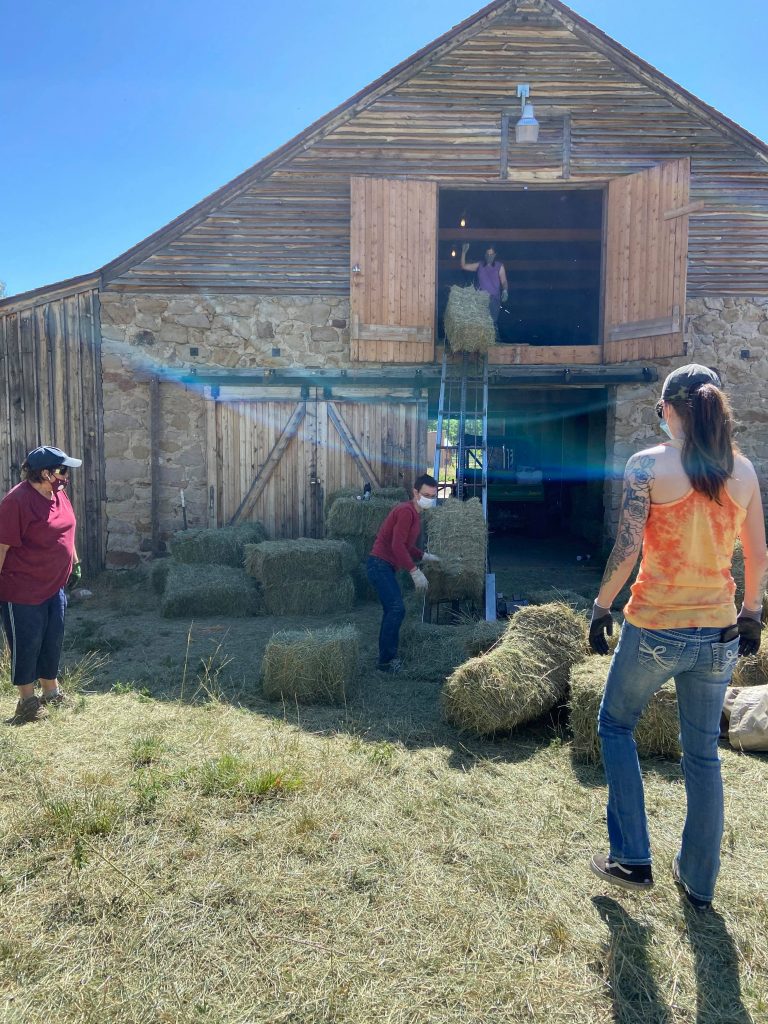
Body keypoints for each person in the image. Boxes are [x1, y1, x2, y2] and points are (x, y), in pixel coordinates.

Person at [587, 365, 768, 911]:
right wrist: (752, 613)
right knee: (702, 757)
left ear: (669, 409)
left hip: (656, 626)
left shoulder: (646, 466)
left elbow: (628, 548)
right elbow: (757, 555)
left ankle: (632, 857)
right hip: (718, 633)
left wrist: (600, 606)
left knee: (615, 724)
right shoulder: (743, 472)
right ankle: (699, 883)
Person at [0, 445, 82, 725]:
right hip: (22, 589)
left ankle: (51, 692)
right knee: (27, 643)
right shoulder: (17, 501)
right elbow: (1, 547)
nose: (66, 475)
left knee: (52, 639)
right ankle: (27, 702)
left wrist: (75, 561)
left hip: (53, 586)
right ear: (45, 473)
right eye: (62, 470)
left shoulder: (58, 494)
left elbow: (67, 530)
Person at [366, 474, 440, 674]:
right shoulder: (406, 511)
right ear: (415, 492)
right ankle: (386, 661)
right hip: (379, 565)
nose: (429, 499)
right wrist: (414, 571)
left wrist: (425, 556)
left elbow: (406, 547)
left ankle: (386, 657)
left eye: (433, 496)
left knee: (393, 610)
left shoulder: (415, 515)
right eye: (426, 494)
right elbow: (396, 546)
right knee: (397, 609)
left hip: (385, 567)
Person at [460, 243, 508, 334]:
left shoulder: (499, 266)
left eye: (491, 254)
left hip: (494, 299)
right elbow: (464, 266)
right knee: (481, 323)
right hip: (481, 299)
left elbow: (504, 281)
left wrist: (505, 290)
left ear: (495, 255)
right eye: (487, 254)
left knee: (492, 322)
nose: (489, 256)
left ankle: (494, 340)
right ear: (485, 254)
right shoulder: (480, 265)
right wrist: (463, 253)